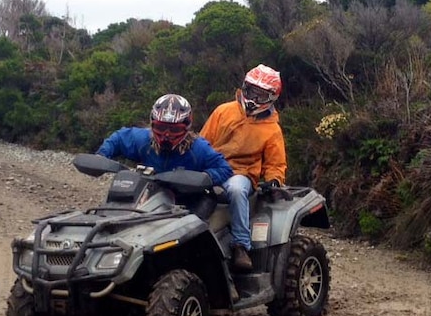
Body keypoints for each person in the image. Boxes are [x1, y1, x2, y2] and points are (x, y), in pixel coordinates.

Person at [200, 64, 287, 271]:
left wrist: (274, 180)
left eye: (260, 96)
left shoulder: (272, 129)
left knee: (237, 190)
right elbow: (202, 143)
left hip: (241, 172)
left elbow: (276, 162)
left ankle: (241, 245)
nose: (253, 99)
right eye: (251, 92)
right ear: (244, 87)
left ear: (271, 98)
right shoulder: (223, 111)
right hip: (212, 166)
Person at [96, 93, 233, 217]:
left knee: (194, 225)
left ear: (186, 126)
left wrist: (205, 177)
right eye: (161, 127)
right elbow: (118, 139)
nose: (166, 134)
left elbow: (224, 169)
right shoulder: (143, 140)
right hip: (151, 198)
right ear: (152, 124)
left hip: (189, 200)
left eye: (174, 129)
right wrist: (101, 156)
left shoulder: (199, 148)